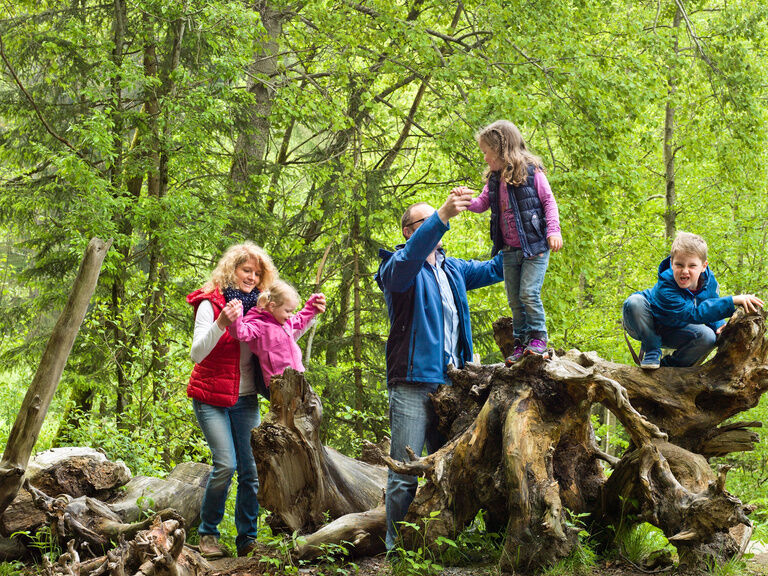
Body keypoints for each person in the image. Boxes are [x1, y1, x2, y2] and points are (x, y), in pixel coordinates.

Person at [375, 193, 504, 551]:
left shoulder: (453, 269)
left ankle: (446, 545)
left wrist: (517, 228)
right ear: (408, 231)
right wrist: (444, 213)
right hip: (413, 383)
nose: (439, 227)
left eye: (438, 220)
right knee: (405, 472)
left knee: (456, 468)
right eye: (428, 221)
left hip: (453, 386)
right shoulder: (396, 265)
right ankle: (396, 552)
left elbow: (496, 268)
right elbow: (410, 258)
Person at [187, 242, 277, 558]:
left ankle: (247, 539)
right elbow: (197, 353)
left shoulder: (261, 307)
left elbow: (283, 338)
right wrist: (221, 323)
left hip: (246, 399)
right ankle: (208, 534)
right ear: (231, 270)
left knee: (251, 471)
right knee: (225, 465)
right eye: (245, 270)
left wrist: (310, 314)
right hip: (211, 397)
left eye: (257, 273)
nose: (251, 277)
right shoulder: (210, 303)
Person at [452, 119, 562, 364]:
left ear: (501, 149)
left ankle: (538, 337)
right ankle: (521, 341)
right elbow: (481, 204)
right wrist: (465, 199)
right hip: (509, 249)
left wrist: (553, 231)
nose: (484, 158)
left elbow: (549, 201)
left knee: (529, 293)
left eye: (486, 152)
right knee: (514, 299)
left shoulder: (532, 171)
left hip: (534, 247)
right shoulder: (494, 179)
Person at [622, 232, 764, 369]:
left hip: (672, 329)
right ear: (671, 263)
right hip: (643, 324)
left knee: (708, 337)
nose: (685, 270)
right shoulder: (666, 285)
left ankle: (669, 368)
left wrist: (719, 324)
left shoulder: (709, 282)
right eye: (679, 265)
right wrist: (732, 301)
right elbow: (692, 313)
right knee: (634, 302)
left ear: (703, 266)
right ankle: (652, 350)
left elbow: (711, 302)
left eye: (692, 266)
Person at [229, 280, 326, 387]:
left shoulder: (285, 321)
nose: (290, 315)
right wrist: (236, 316)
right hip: (278, 382)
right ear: (272, 306)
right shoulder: (260, 325)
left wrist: (312, 306)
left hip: (297, 375)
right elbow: (240, 333)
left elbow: (300, 319)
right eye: (288, 311)